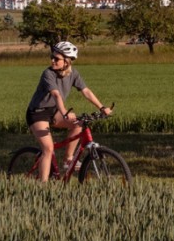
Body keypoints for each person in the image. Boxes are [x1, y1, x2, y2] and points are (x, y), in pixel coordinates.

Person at [25, 41, 113, 182]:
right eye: (52, 57)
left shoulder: (73, 74)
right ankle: (42, 187)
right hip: (38, 113)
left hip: (54, 111)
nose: (52, 60)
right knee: (48, 149)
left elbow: (86, 91)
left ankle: (68, 159)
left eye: (57, 59)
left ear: (67, 61)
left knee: (79, 124)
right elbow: (56, 95)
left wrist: (101, 108)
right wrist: (65, 112)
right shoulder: (48, 73)